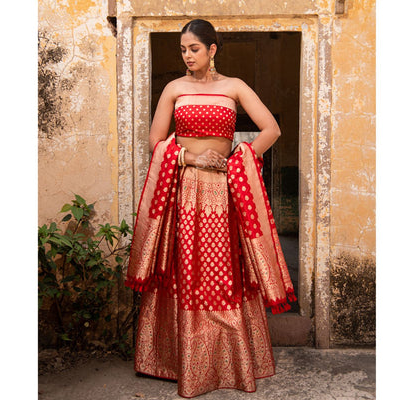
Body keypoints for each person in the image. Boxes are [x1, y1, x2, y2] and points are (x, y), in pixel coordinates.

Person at [125, 19, 297, 398]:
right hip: (184, 188)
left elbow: (271, 129)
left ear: (212, 49)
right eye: (183, 50)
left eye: (194, 49)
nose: (187, 56)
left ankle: (229, 360)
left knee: (222, 271)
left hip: (223, 190)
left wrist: (241, 158)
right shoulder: (174, 89)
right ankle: (180, 360)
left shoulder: (234, 87)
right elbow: (156, 142)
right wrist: (190, 157)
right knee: (186, 268)